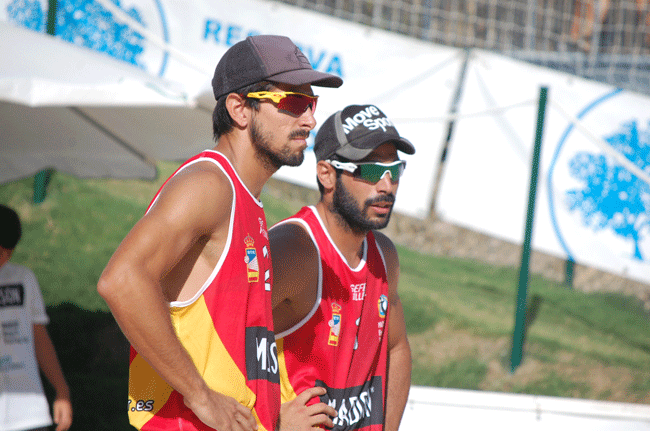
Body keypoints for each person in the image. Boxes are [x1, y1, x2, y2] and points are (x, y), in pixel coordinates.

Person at [97, 35, 342, 431]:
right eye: (294, 103)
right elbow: (121, 280)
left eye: (311, 104)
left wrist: (273, 422)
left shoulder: (247, 201)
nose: (310, 120)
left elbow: (232, 354)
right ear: (239, 109)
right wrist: (199, 395)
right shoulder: (209, 185)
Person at [270, 104, 414, 431]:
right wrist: (269, 422)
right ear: (326, 173)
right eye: (371, 171)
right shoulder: (294, 249)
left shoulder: (385, 256)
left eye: (394, 170)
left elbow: (397, 348)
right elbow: (220, 336)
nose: (386, 186)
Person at [0, 204, 73, 431]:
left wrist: (62, 390)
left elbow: (38, 336)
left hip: (28, 414)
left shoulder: (23, 278)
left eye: (8, 253)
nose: (4, 259)